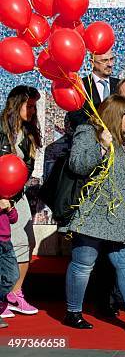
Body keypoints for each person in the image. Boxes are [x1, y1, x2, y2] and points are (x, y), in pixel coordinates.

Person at [61, 95, 125, 332]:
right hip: (94, 213)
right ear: (116, 114)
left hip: (122, 216)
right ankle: (73, 312)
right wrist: (101, 147)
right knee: (83, 263)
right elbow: (77, 165)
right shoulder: (88, 132)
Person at [0, 85, 41, 316]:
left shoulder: (28, 133)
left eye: (35, 106)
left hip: (18, 195)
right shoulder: (0, 128)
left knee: (26, 242)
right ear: (17, 104)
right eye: (30, 105)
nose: (33, 110)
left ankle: (15, 293)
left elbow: (26, 167)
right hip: (0, 195)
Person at [68, 50, 120, 128]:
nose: (110, 64)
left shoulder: (120, 85)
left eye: (111, 59)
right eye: (104, 60)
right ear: (92, 63)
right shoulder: (80, 86)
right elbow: (75, 117)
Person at [0, 199, 19, 327]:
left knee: (13, 276)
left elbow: (14, 219)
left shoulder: (6, 195)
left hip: (6, 243)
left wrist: (9, 208)